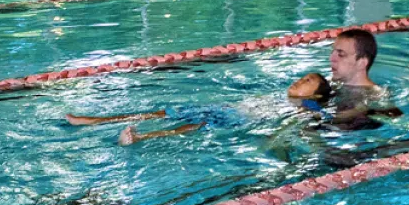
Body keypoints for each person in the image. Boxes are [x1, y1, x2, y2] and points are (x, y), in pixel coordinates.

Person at [66, 73, 335, 146]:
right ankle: (96, 120)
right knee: (164, 113)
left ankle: (140, 137)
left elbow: (316, 116)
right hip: (225, 108)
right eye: (301, 77)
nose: (299, 81)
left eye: (306, 82)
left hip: (237, 119)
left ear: (315, 94)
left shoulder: (306, 104)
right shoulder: (280, 94)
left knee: (194, 126)